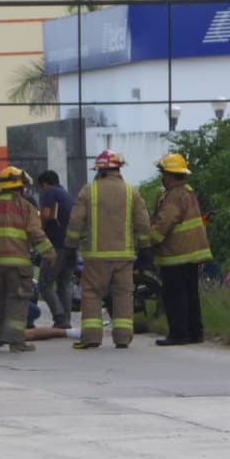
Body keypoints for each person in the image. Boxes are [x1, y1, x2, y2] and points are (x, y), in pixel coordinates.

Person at [64, 150, 151, 349]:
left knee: (92, 294)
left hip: (96, 257)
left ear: (100, 170)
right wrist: (145, 248)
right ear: (119, 169)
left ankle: (92, 337)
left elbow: (76, 222)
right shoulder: (131, 192)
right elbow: (143, 224)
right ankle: (122, 337)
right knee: (123, 295)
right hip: (124, 256)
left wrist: (70, 245)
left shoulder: (89, 191)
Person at [0, 166, 56, 353]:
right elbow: (36, 234)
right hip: (18, 266)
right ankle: (15, 341)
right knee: (17, 302)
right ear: (20, 188)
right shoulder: (26, 208)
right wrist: (49, 254)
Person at [148, 153, 212, 346]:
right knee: (190, 294)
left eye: (163, 173)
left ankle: (178, 334)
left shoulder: (173, 196)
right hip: (191, 253)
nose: (162, 177)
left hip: (176, 254)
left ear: (169, 175)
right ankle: (195, 333)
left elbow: (164, 224)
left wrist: (148, 240)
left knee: (175, 296)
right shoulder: (187, 191)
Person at [35, 170, 75, 329]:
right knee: (64, 283)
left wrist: (40, 231)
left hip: (56, 245)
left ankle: (59, 317)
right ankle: (66, 319)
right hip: (71, 245)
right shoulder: (66, 194)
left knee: (44, 284)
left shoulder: (49, 193)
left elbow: (45, 214)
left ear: (44, 184)